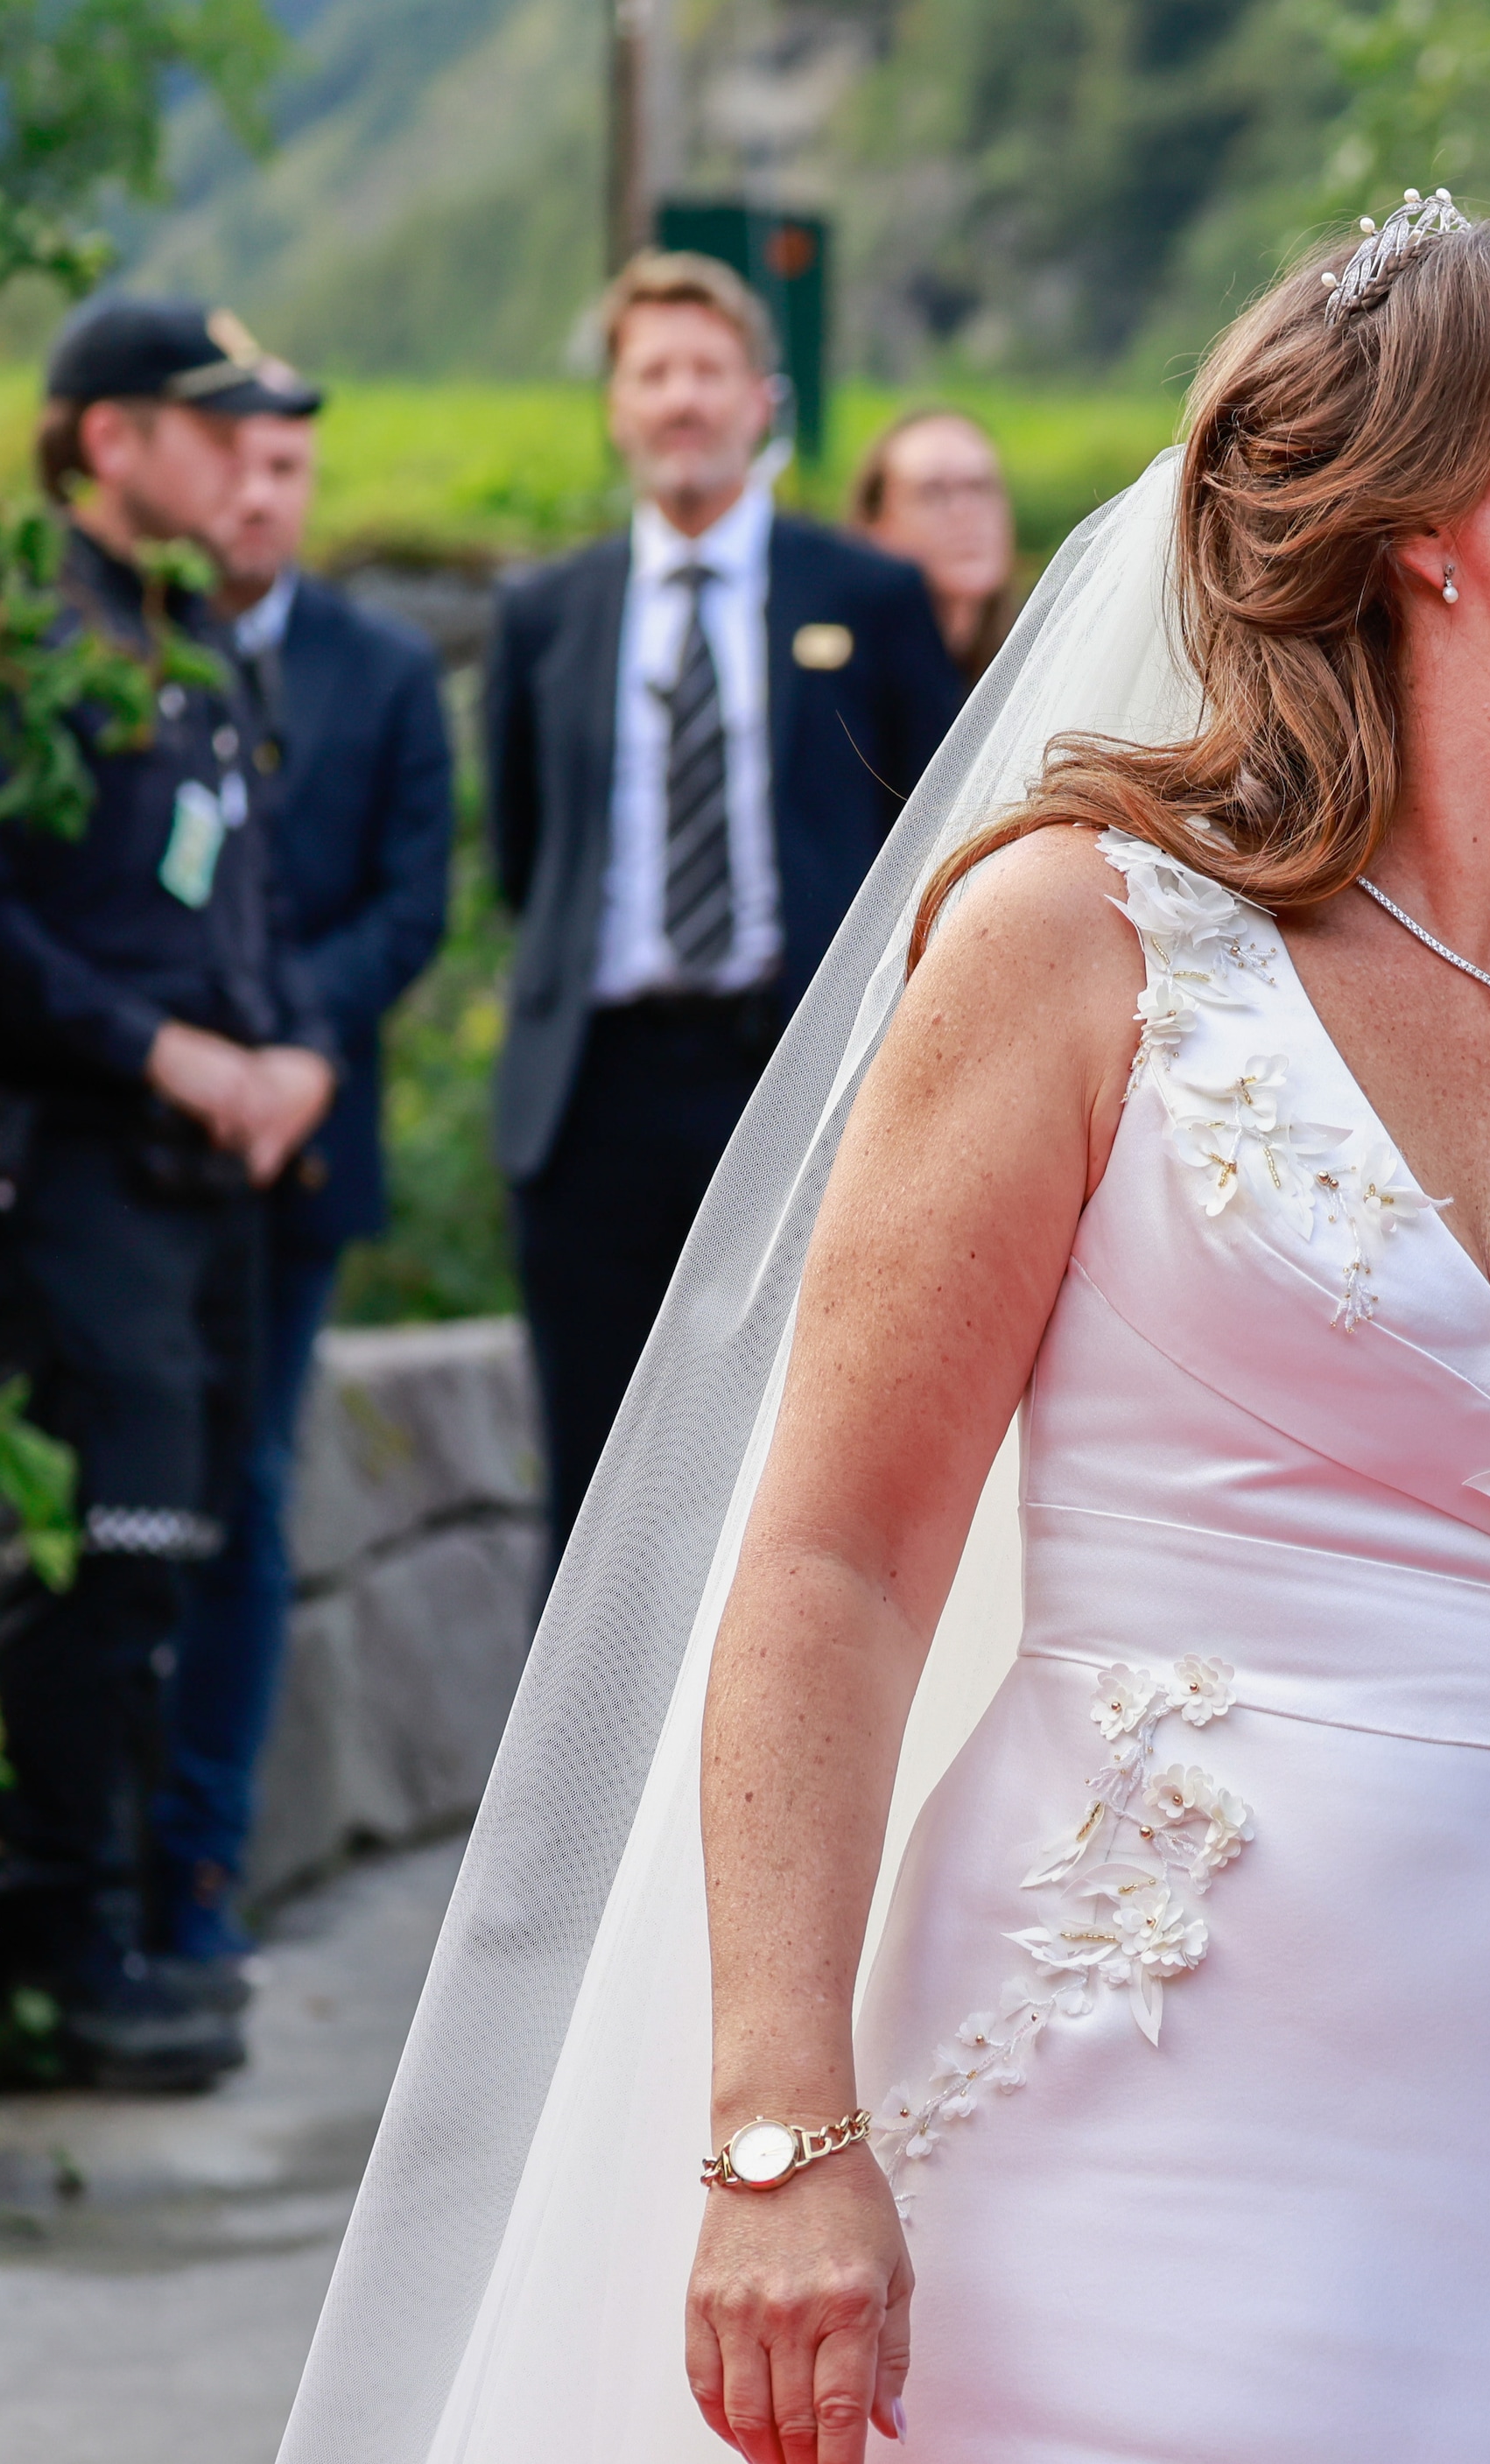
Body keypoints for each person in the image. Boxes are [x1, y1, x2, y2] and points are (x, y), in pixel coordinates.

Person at [276, 207, 1490, 2464]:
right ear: (1416, 524)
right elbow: (834, 1562)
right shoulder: (1082, 942)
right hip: (1098, 2187)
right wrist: (774, 2128)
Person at [0, 297, 339, 2089]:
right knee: (90, 1566)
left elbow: (247, 909)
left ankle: (121, 1938)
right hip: (63, 1173)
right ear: (107, 439)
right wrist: (164, 1055)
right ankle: (48, 1971)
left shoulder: (192, 635)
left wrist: (292, 1050)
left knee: (164, 1568)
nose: (244, 463)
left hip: (199, 1190)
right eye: (210, 427)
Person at [489, 253, 966, 1570]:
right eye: (652, 373)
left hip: (796, 1079)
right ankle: (585, 1723)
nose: (681, 399)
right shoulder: (544, 614)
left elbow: (937, 827)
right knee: (593, 1491)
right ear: (616, 408)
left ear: (761, 398)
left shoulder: (866, 598)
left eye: (707, 371)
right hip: (594, 1097)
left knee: (794, 1476)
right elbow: (526, 857)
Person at [148, 387, 457, 1987]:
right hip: (141, 1136)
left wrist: (287, 1054)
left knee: (247, 1496)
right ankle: (97, 1867)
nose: (258, 495)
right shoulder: (127, 650)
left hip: (301, 1142)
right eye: (236, 464)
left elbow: (411, 903)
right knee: (135, 1502)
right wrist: (190, 1053)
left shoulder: (382, 668)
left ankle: (201, 1865)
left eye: (287, 468)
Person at [847, 404, 1020, 681]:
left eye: (981, 487)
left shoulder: (1048, 656)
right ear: (875, 523)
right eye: (932, 492)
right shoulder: (840, 675)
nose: (965, 512)